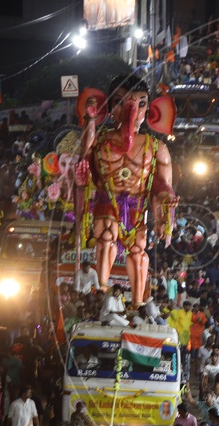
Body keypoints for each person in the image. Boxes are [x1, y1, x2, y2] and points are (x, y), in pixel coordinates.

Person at [78, 74, 177, 306]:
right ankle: (101, 290)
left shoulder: (157, 148)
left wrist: (165, 216)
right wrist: (90, 121)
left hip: (137, 204)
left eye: (140, 104)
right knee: (105, 238)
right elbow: (84, 154)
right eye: (121, 102)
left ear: (152, 111)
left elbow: (163, 187)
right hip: (107, 199)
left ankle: (137, 302)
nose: (131, 111)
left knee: (138, 249)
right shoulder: (101, 140)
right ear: (110, 106)